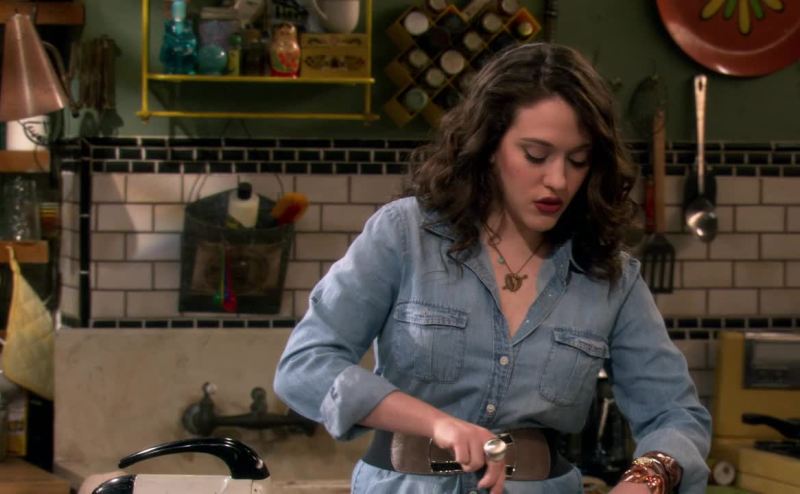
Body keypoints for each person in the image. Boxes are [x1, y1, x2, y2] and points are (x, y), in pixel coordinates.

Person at [274, 42, 710, 494]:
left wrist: (646, 479)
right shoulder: (406, 235)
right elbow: (306, 366)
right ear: (488, 145)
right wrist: (436, 423)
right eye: (536, 155)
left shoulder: (608, 276)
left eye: (578, 160)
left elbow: (676, 414)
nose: (558, 180)